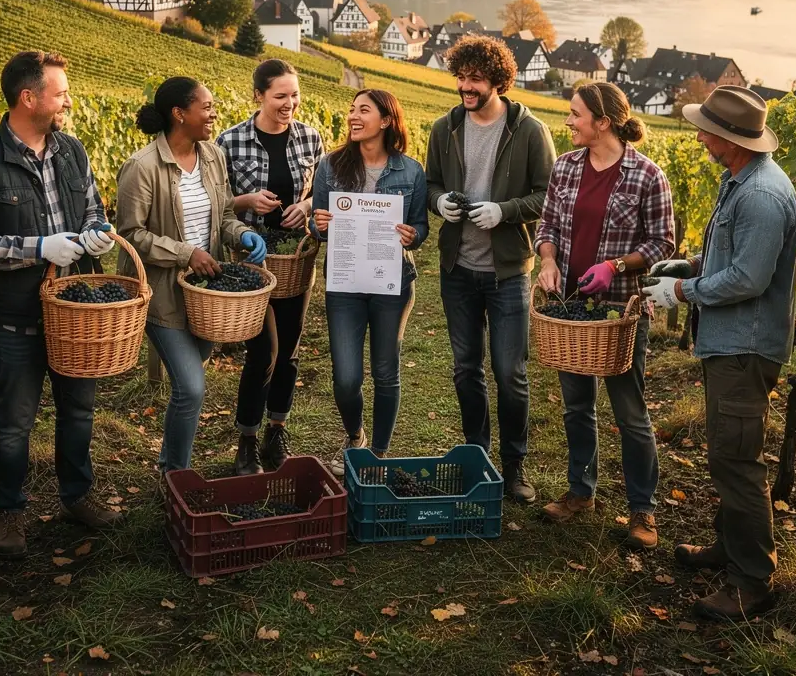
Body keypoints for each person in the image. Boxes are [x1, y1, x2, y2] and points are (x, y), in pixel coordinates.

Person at [0, 50, 121, 559]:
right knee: (15, 420)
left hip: (74, 311)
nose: (68, 100)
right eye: (60, 93)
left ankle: (76, 497)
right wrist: (39, 247)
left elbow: (93, 208)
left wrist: (96, 234)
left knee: (79, 410)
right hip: (15, 316)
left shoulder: (72, 150)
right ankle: (9, 512)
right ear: (29, 98)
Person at [642, 86, 796, 621]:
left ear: (730, 139)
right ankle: (730, 548)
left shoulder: (761, 195)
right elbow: (730, 257)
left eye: (704, 130)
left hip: (745, 347)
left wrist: (683, 292)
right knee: (726, 454)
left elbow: (749, 279)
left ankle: (752, 585)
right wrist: (688, 266)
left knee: (737, 462)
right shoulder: (739, 181)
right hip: (730, 343)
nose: (698, 137)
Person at [534, 82, 675, 548]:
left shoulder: (646, 175)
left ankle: (642, 510)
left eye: (576, 114)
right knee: (577, 406)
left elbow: (662, 243)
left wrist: (615, 266)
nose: (569, 121)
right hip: (572, 308)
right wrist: (549, 260)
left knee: (630, 412)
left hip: (620, 311)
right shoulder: (565, 166)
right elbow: (547, 224)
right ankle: (581, 492)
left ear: (603, 122)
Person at [425, 34, 557, 503]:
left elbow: (549, 196)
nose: (466, 86)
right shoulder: (444, 128)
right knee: (466, 369)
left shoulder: (530, 131)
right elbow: (430, 183)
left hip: (507, 273)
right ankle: (476, 457)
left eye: (476, 78)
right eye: (461, 77)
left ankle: (514, 466)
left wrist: (504, 211)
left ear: (498, 81)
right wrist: (439, 201)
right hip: (457, 269)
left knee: (510, 373)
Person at [116, 78, 266, 477]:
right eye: (207, 107)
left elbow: (225, 216)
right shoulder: (142, 167)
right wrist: (186, 254)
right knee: (191, 387)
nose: (214, 114)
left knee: (192, 376)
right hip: (163, 293)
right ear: (179, 114)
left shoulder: (213, 156)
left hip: (206, 292)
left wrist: (241, 234)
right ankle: (175, 474)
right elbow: (131, 235)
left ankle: (170, 465)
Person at [311, 90, 429, 475]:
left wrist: (414, 235)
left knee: (385, 371)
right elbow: (317, 222)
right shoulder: (330, 166)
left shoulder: (411, 172)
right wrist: (318, 224)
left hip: (392, 283)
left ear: (386, 120)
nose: (353, 116)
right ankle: (355, 434)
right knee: (346, 378)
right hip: (344, 282)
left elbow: (420, 225)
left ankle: (377, 453)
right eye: (351, 110)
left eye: (364, 110)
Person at [217, 60, 324, 474]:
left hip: (295, 258)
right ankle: (246, 439)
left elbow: (322, 191)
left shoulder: (310, 138)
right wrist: (247, 202)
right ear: (258, 95)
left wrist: (306, 206)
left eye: (294, 95)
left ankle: (276, 432)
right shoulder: (230, 141)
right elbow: (216, 201)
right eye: (280, 96)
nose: (289, 104)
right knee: (262, 352)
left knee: (290, 350)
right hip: (252, 262)